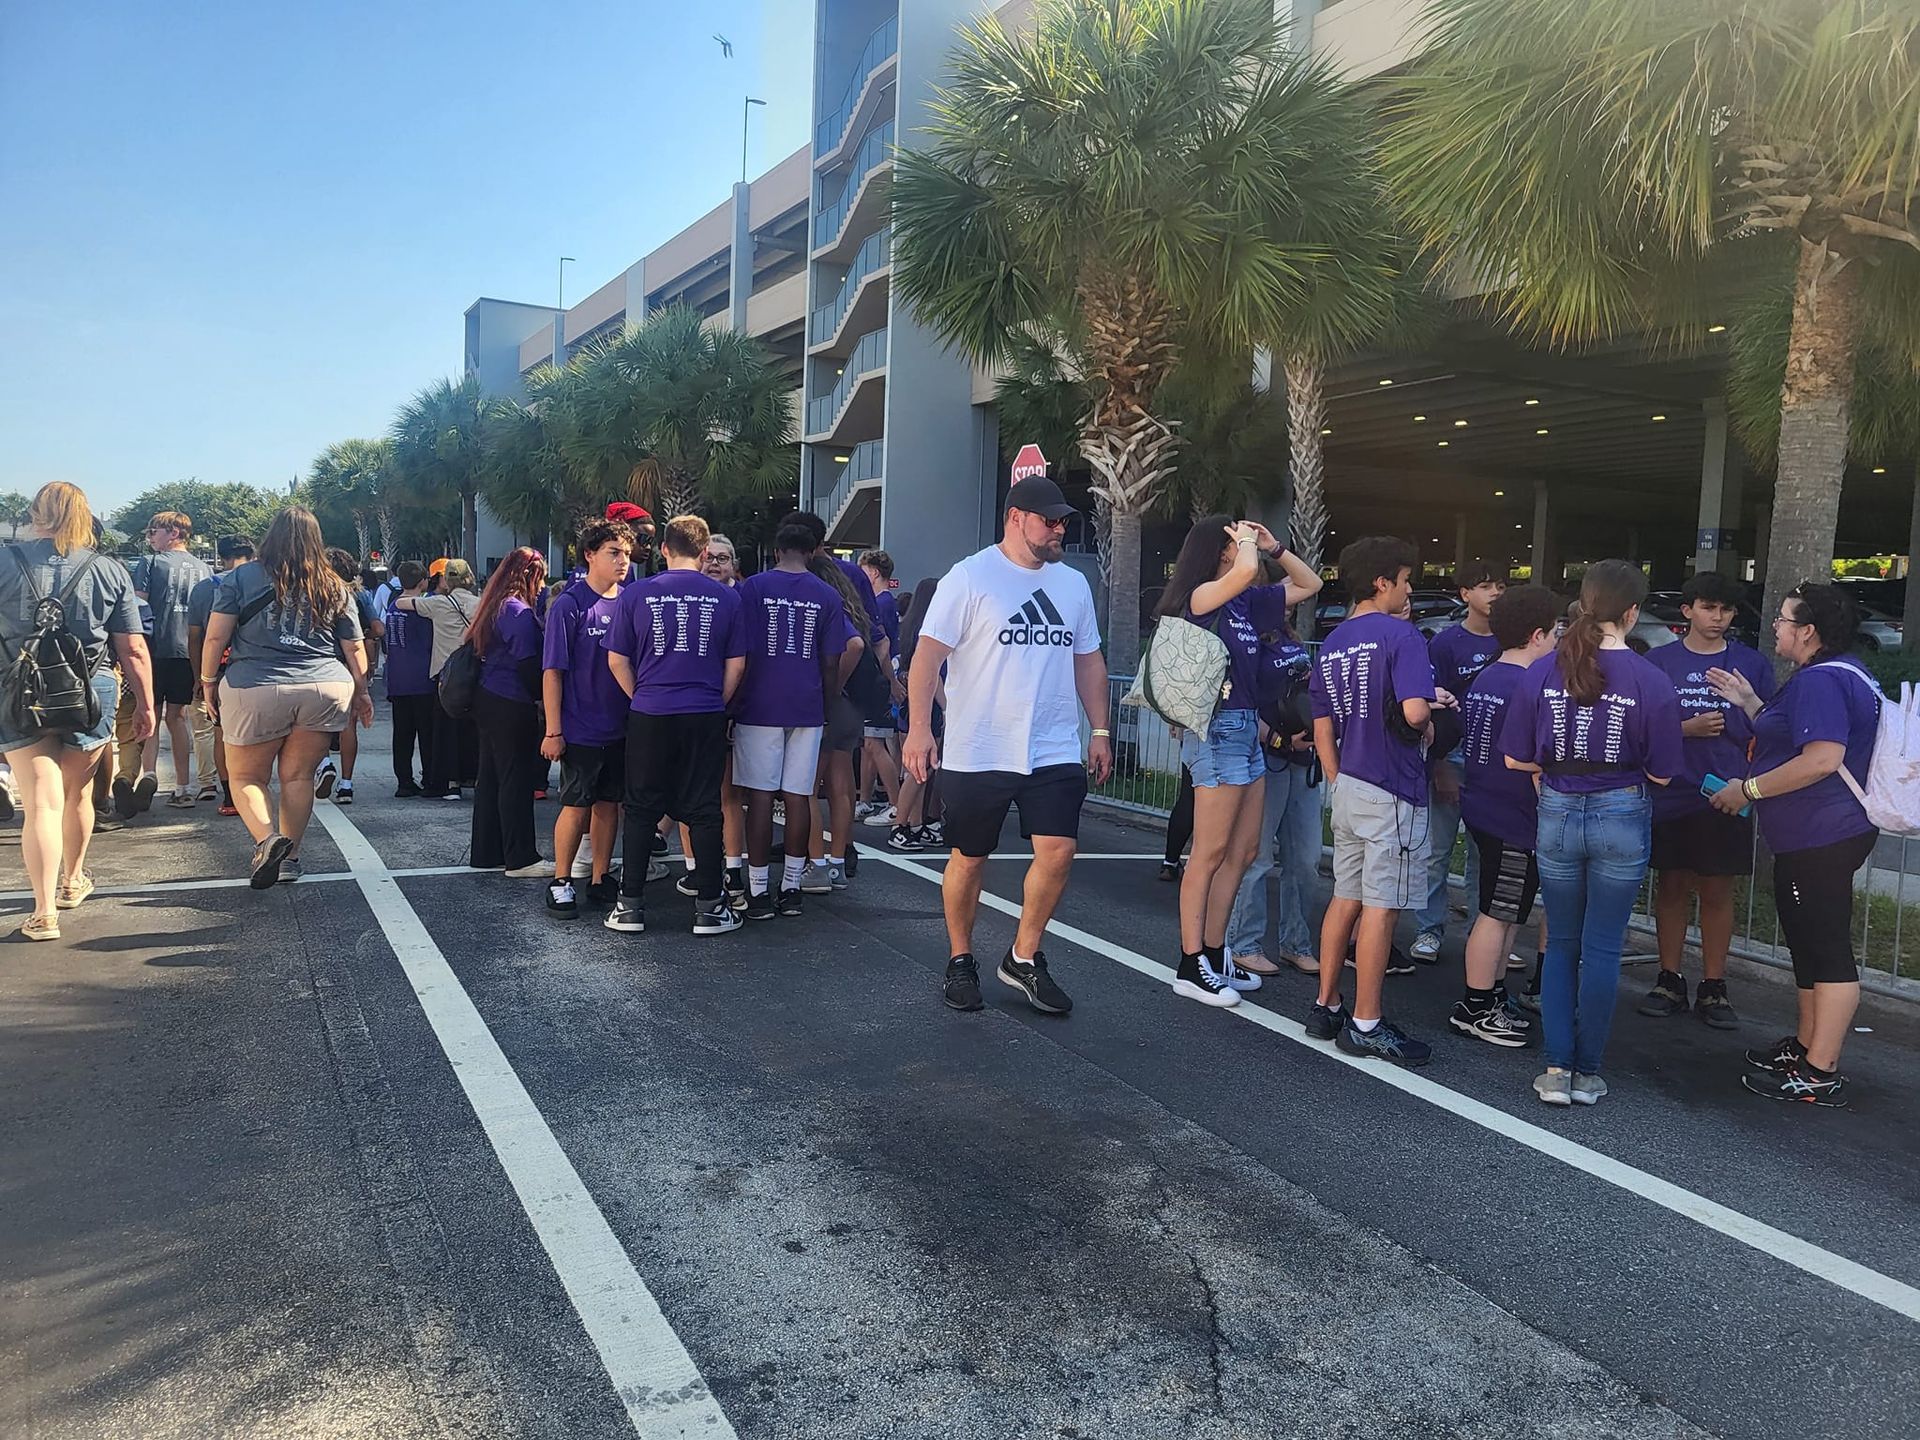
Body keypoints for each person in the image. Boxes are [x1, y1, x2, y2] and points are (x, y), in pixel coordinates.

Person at [903, 475, 1112, 1015]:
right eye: (1049, 521)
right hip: (981, 747)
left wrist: (1100, 730)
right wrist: (919, 730)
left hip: (1052, 747)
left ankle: (1023, 955)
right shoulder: (970, 577)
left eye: (1063, 521)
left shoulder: (1072, 585)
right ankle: (960, 958)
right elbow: (926, 659)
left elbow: (1088, 660)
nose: (1059, 530)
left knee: (1059, 851)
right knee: (970, 858)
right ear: (1016, 519)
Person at [1502, 559, 1684, 1106]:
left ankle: (1555, 1069)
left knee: (1560, 943)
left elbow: (1514, 758)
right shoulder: (1651, 679)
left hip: (1557, 809)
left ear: (1583, 603)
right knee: (1603, 949)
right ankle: (1587, 1072)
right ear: (1632, 612)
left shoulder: (1543, 669)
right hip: (1622, 814)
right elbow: (1662, 772)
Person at [1708, 582, 1881, 1107]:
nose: (1776, 627)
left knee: (1825, 949)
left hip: (1822, 833)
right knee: (1807, 943)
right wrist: (1750, 702)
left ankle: (1819, 1070)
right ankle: (1806, 1048)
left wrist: (1748, 790)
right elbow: (1790, 736)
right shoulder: (1838, 674)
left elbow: (1822, 758)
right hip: (1818, 833)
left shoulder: (1822, 682)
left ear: (1808, 631)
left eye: (1783, 619)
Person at [1157, 515, 1324, 1006]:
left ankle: (1214, 953)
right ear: (1218, 549)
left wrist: (1275, 548)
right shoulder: (1203, 599)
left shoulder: (1247, 602)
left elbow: (1309, 583)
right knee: (1208, 852)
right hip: (1217, 730)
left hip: (1246, 727)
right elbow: (1241, 573)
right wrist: (1249, 547)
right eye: (1233, 539)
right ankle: (1191, 964)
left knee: (1244, 852)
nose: (1241, 545)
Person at [0, 483, 154, 937]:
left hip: (18, 689)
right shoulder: (107, 569)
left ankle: (43, 910)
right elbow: (133, 647)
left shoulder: (6, 560)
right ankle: (73, 880)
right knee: (77, 794)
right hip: (91, 688)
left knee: (39, 801)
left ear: (35, 514)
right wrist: (145, 704)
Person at [1306, 537, 1437, 1064]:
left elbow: (1322, 726)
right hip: (1393, 787)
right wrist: (1431, 711)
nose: (1408, 590)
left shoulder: (1334, 642)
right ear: (1383, 582)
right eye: (1405, 580)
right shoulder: (1402, 636)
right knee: (1382, 906)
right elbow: (1413, 714)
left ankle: (1326, 1002)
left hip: (1350, 783)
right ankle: (1366, 1022)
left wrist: (1337, 778)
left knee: (1346, 895)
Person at [201, 506, 372, 888]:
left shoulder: (241, 577)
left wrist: (209, 680)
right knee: (298, 776)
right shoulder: (334, 584)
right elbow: (355, 647)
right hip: (323, 687)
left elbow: (215, 636)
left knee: (246, 776)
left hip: (255, 685)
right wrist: (362, 692)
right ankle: (291, 858)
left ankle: (267, 839)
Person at [1636, 573, 1776, 1028]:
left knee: (1717, 890)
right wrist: (1685, 730)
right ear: (1688, 610)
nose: (1718, 618)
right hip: (1672, 793)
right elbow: (1638, 729)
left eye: (1727, 610)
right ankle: (1669, 977)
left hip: (1728, 795)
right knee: (1672, 886)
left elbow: (1771, 729)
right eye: (1709, 607)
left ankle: (1714, 985)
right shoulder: (1659, 662)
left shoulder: (1751, 663)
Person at [604, 513, 747, 936]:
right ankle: (709, 907)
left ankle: (629, 905)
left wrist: (641, 697)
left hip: (650, 709)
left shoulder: (635, 595)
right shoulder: (727, 598)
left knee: (641, 805)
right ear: (704, 553)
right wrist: (714, 702)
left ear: (664, 549)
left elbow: (616, 659)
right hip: (703, 710)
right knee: (705, 807)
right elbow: (736, 663)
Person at [732, 517, 862, 920]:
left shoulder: (753, 588)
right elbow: (831, 659)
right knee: (797, 795)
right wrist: (823, 704)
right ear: (811, 552)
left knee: (758, 796)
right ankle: (791, 888)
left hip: (759, 704)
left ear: (775, 550)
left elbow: (744, 651)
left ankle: (756, 891)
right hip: (806, 706)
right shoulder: (825, 595)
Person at [1453, 584, 1559, 1048]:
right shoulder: (1525, 686)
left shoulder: (1488, 676)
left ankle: (1492, 993)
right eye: (1555, 633)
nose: (1558, 641)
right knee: (1497, 914)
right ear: (1537, 635)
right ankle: (1475, 1005)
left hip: (1485, 806)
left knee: (1506, 911)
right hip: (1513, 815)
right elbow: (1534, 756)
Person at [1224, 559, 1324, 977]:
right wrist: (1278, 738)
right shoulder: (1246, 641)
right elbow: (1240, 700)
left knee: (1306, 859)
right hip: (1268, 757)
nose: (1282, 601)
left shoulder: (1290, 638)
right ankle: (1243, 942)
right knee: (1257, 857)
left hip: (1304, 761)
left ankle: (1295, 942)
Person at [1413, 562, 1507, 962]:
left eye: (1501, 585)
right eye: (1485, 586)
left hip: (1495, 763)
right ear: (1465, 594)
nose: (1495, 593)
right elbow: (1432, 708)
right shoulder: (1446, 644)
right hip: (1452, 755)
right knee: (1436, 850)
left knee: (1485, 854)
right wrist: (1438, 764)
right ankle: (1428, 930)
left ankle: (1481, 933)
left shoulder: (1512, 641)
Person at [541, 520, 635, 916]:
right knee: (576, 805)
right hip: (580, 726)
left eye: (627, 554)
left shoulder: (630, 601)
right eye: (614, 552)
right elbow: (552, 672)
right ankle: (562, 880)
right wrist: (553, 730)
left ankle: (600, 877)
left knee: (609, 805)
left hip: (622, 726)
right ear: (590, 555)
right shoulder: (570, 604)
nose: (623, 561)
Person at [464, 547, 549, 877]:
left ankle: (488, 851)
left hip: (488, 697)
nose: (542, 586)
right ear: (530, 575)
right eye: (540, 578)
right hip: (512, 700)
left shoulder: (495, 606)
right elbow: (528, 663)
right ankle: (520, 856)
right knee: (516, 777)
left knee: (491, 777)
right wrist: (543, 700)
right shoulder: (518, 612)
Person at [131, 510, 213, 809]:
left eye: (154, 531)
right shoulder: (205, 569)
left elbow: (138, 607)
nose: (150, 536)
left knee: (149, 712)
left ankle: (149, 772)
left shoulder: (150, 563)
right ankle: (182, 787)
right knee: (178, 718)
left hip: (153, 649)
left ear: (174, 533)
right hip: (189, 652)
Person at [395, 558, 480, 799]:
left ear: (447, 579)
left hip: (446, 674)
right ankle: (472, 776)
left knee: (446, 730)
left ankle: (449, 782)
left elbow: (401, 604)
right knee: (471, 729)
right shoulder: (480, 603)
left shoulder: (437, 604)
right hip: (474, 672)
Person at [186, 534, 255, 816]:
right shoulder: (261, 582)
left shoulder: (203, 589)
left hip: (219, 670)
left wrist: (200, 678)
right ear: (251, 556)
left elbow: (195, 638)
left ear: (222, 556)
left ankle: (229, 798)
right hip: (253, 667)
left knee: (221, 734)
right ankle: (254, 790)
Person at [313, 548, 385, 806]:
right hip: (350, 664)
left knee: (318, 722)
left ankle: (324, 763)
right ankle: (347, 784)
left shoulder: (316, 591)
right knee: (349, 724)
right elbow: (378, 628)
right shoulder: (360, 594)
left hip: (320, 663)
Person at [888, 576, 945, 852]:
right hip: (928, 705)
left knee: (918, 768)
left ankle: (914, 823)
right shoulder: (933, 631)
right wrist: (948, 707)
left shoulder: (909, 627)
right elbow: (935, 675)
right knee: (920, 770)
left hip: (910, 706)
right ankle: (900, 825)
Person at [857, 548, 906, 827]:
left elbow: (883, 643)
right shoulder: (884, 602)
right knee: (868, 743)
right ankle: (865, 798)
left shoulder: (881, 603)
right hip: (882, 676)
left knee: (875, 743)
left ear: (874, 572)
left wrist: (890, 682)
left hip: (881, 677)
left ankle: (897, 803)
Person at [384, 561, 436, 797]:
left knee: (401, 735)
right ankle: (430, 778)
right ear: (423, 581)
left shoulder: (393, 606)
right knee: (427, 734)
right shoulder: (422, 609)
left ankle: (404, 780)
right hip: (422, 678)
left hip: (398, 678)